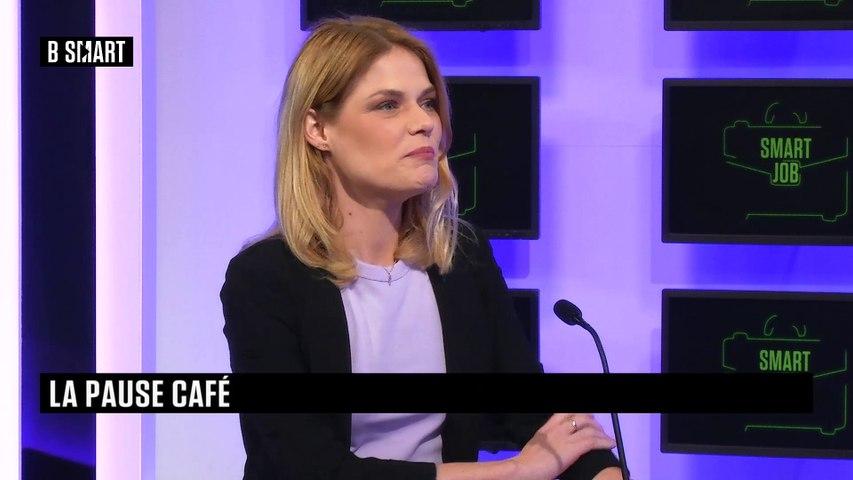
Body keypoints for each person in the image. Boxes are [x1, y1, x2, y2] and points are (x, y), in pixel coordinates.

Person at [220, 15, 623, 480]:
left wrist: (600, 470)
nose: (424, 123)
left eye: (428, 102)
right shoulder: (264, 279)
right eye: (388, 105)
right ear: (318, 129)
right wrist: (516, 471)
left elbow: (532, 413)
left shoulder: (461, 256)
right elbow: (308, 468)